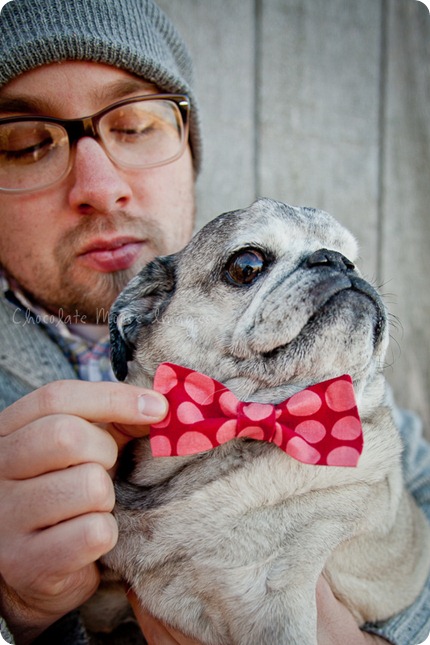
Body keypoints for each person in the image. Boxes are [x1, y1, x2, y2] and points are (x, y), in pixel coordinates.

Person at [0, 1, 428, 644]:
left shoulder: (326, 366)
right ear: (137, 320)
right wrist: (17, 615)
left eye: (137, 124)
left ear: (187, 149)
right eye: (25, 143)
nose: (100, 183)